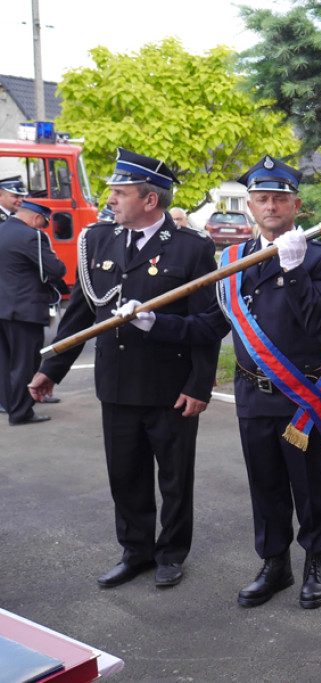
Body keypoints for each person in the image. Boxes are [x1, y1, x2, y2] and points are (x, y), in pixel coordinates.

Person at [119, 155, 321, 609]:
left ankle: (315, 562)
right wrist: (153, 324)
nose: (271, 206)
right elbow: (209, 327)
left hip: (302, 397)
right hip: (253, 395)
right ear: (249, 207)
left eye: (280, 199)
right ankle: (274, 564)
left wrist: (295, 269)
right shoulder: (230, 261)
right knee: (265, 486)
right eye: (261, 199)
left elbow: (317, 320)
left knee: (309, 486)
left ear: (296, 205)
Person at [28, 148, 219, 589]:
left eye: (120, 192)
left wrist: (199, 386)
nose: (110, 199)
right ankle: (136, 551)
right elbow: (80, 313)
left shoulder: (191, 248)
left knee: (174, 478)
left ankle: (171, 553)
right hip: (115, 383)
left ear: (149, 200)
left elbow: (208, 325)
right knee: (125, 474)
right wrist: (51, 368)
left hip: (170, 386)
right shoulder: (98, 240)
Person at [0, 201, 67, 424]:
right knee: (24, 364)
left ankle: (10, 405)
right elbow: (56, 270)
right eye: (44, 224)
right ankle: (21, 413)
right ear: (37, 218)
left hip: (3, 308)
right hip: (24, 309)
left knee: (5, 363)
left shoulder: (2, 230)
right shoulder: (32, 236)